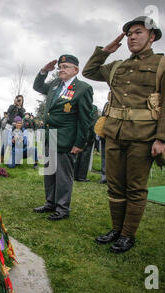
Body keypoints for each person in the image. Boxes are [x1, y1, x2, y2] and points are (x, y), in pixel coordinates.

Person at [83, 16, 165, 253]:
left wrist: (162, 138)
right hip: (115, 134)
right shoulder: (117, 66)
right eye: (129, 35)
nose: (132, 38)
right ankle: (116, 229)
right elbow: (89, 71)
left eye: (137, 32)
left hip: (143, 137)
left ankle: (128, 235)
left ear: (152, 36)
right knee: (115, 186)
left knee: (135, 188)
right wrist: (105, 51)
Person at [33, 54, 94, 221]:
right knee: (49, 172)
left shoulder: (83, 88)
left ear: (76, 70)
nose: (61, 69)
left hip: (66, 139)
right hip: (49, 136)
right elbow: (37, 86)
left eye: (66, 66)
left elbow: (84, 120)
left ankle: (62, 208)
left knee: (62, 175)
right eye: (60, 66)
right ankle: (50, 202)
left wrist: (79, 143)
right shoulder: (54, 84)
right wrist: (44, 70)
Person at [74, 105, 99, 182]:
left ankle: (75, 174)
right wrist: (95, 138)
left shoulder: (81, 106)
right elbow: (93, 124)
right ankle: (82, 176)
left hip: (79, 134)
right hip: (88, 135)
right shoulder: (94, 108)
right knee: (85, 156)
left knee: (78, 155)